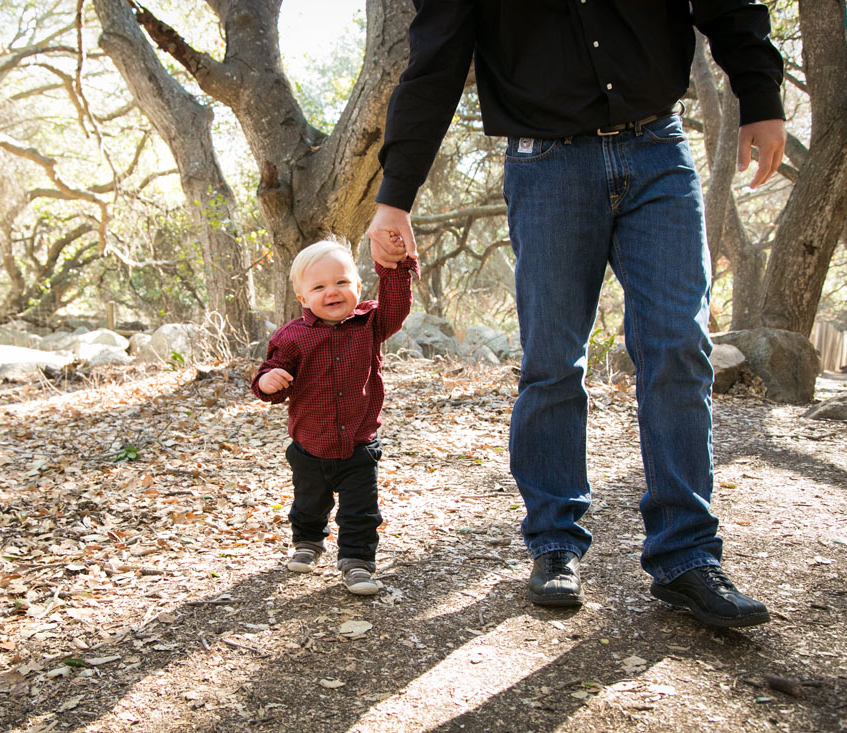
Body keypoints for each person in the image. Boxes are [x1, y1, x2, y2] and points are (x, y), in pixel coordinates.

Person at [369, 1, 785, 627]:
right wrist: (395, 194)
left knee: (679, 346)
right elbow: (436, 61)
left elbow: (727, 4)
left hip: (657, 151)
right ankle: (555, 544)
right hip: (547, 166)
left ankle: (687, 558)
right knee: (553, 361)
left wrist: (761, 95)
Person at [251, 238, 418, 595]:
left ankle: (357, 562)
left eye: (342, 282)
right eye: (319, 286)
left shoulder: (371, 324)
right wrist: (268, 382)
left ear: (358, 287)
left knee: (361, 511)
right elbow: (273, 378)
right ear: (303, 298)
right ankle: (308, 542)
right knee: (309, 503)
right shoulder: (292, 337)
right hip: (310, 445)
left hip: (359, 445)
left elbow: (398, 307)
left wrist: (394, 268)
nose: (333, 292)